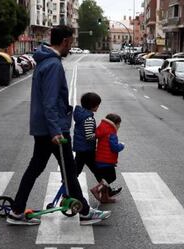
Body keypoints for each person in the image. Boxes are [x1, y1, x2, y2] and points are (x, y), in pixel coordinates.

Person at [7, 25, 111, 226]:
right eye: (70, 43)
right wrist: (56, 130)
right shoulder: (53, 64)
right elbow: (50, 101)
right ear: (64, 41)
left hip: (43, 128)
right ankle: (85, 212)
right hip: (54, 130)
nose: (70, 47)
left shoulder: (43, 61)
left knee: (37, 168)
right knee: (69, 171)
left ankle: (17, 210)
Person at [73, 92, 122, 203]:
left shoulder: (82, 115)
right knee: (93, 171)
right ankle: (68, 190)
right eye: (97, 105)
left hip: (82, 148)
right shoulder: (88, 118)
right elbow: (89, 136)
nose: (98, 107)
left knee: (92, 171)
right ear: (93, 105)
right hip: (86, 150)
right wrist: (100, 135)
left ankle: (106, 193)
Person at [90, 113, 125, 204]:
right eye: (119, 124)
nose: (119, 126)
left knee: (105, 179)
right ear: (115, 124)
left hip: (99, 159)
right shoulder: (112, 133)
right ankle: (96, 189)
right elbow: (114, 148)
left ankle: (105, 198)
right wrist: (121, 145)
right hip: (107, 161)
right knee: (111, 177)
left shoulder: (102, 129)